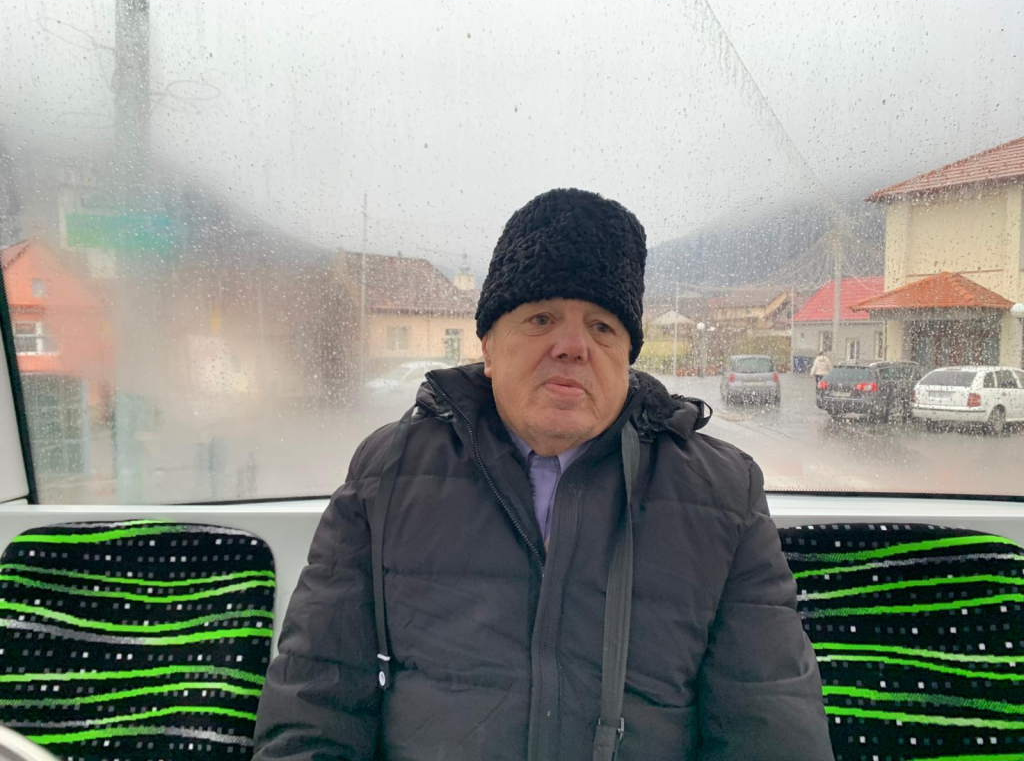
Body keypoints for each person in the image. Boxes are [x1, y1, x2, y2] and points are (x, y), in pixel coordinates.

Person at [253, 188, 834, 761]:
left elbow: (770, 725)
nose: (573, 346)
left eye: (602, 327)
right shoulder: (389, 473)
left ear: (627, 358)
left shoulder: (723, 494)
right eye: (541, 318)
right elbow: (314, 709)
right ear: (488, 347)